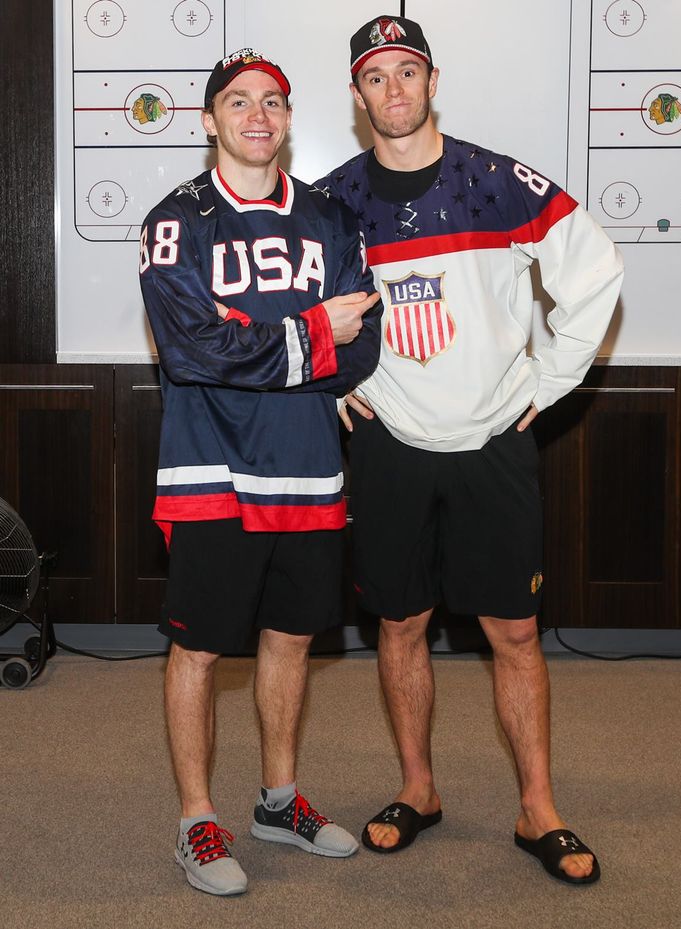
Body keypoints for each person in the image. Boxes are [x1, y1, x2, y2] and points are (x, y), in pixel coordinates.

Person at [313, 15, 624, 885]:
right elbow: (298, 312)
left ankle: (539, 806)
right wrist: (337, 383)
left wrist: (547, 382)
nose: (394, 90)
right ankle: (419, 788)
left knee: (515, 631)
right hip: (391, 442)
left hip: (492, 436)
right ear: (357, 93)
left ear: (432, 79)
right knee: (400, 622)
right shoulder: (333, 202)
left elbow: (594, 270)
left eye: (407, 71)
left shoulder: (498, 181)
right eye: (376, 77)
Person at [139, 47, 381, 896]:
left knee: (291, 636)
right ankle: (196, 817)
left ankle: (278, 799)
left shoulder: (330, 216)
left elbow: (366, 348)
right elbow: (190, 347)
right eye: (238, 102)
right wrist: (312, 331)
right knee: (201, 648)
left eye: (273, 101)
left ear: (288, 118)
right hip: (209, 464)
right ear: (209, 119)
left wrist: (257, 335)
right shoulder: (177, 219)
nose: (257, 115)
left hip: (308, 466)